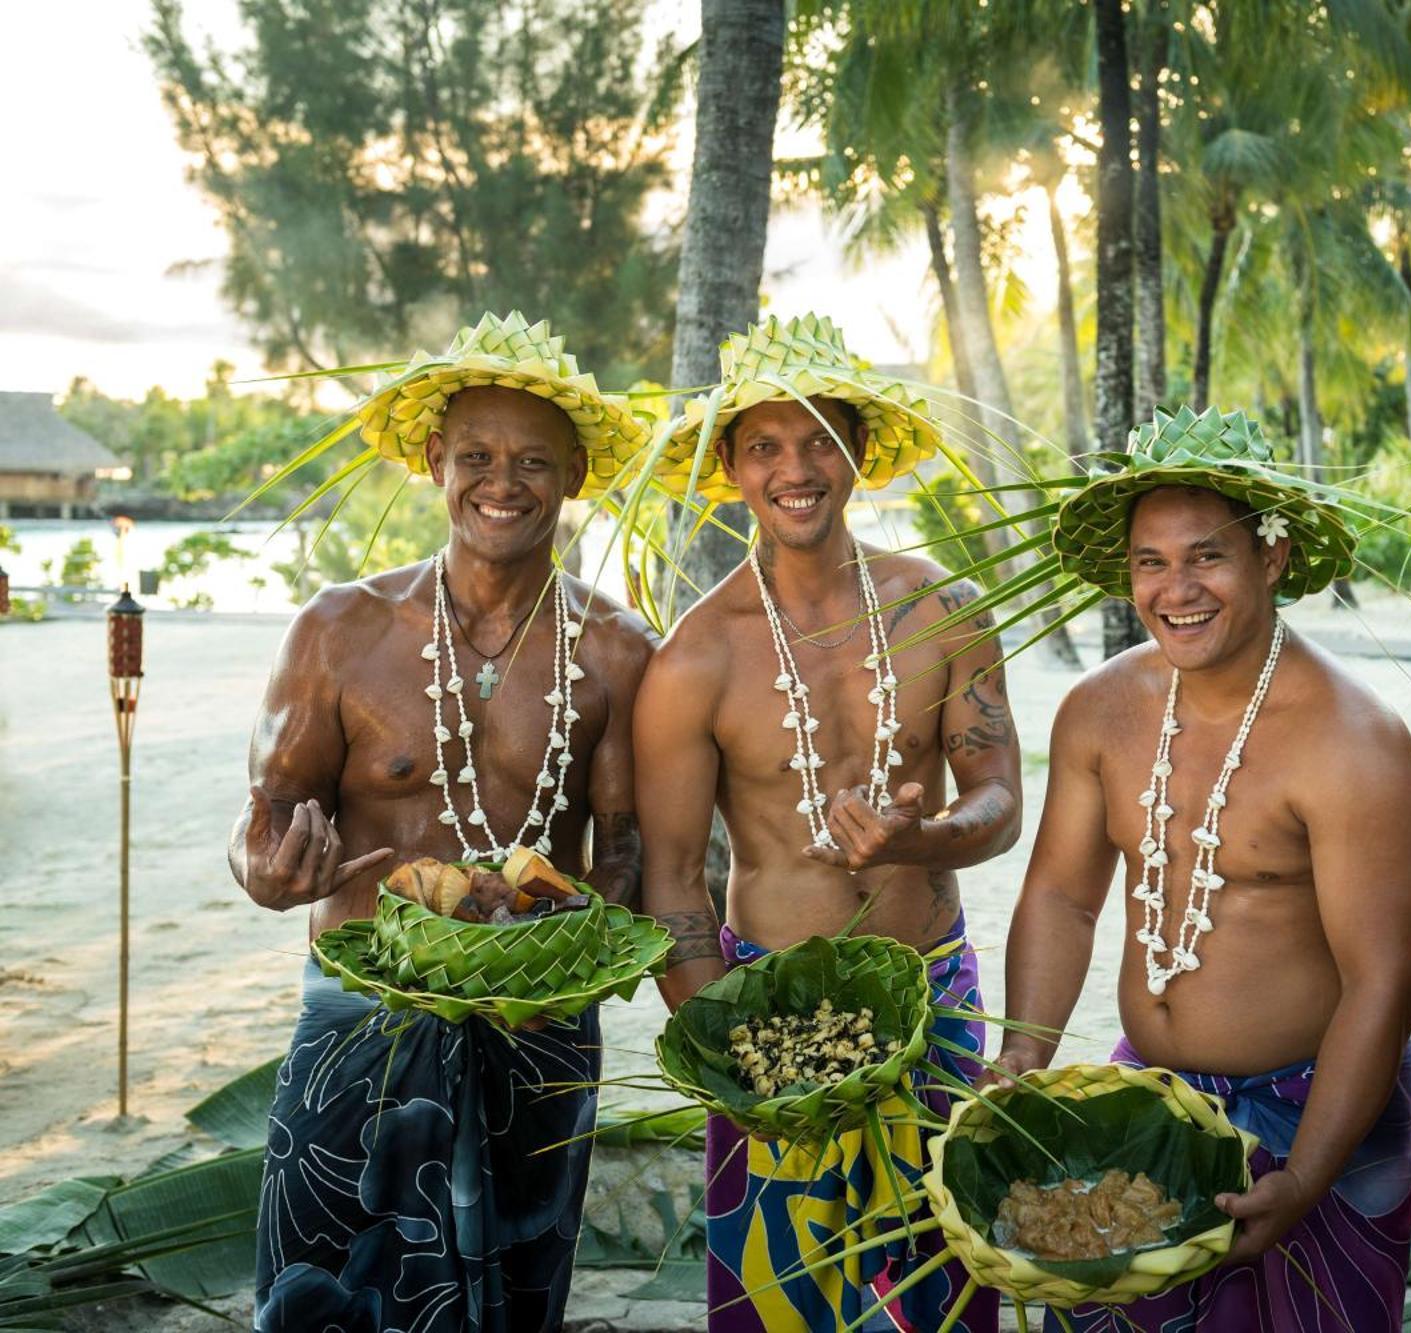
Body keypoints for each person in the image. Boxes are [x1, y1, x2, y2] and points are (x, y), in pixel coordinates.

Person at [233, 312, 657, 1332]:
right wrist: (271, 873)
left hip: (538, 1025)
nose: (500, 482)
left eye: (531, 461)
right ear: (434, 461)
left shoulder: (614, 649)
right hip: (356, 1016)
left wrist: (575, 938)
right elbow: (261, 825)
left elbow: (628, 844)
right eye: (475, 456)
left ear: (574, 474)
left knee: (513, 1295)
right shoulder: (339, 629)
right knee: (315, 1288)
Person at [988, 406, 1411, 1332]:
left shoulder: (1353, 741)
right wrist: (1024, 1050)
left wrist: (1306, 1172)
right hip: (1150, 1101)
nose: (1174, 588)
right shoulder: (1099, 709)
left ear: (1271, 557)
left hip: (1321, 1109)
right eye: (1150, 561)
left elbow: (1382, 981)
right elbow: (1064, 897)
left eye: (1207, 556)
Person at [634, 314, 1021, 1332]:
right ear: (729, 467)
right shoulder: (695, 656)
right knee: (783, 1298)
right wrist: (723, 1048)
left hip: (930, 988)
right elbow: (669, 875)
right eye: (763, 445)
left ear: (855, 455)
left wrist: (918, 840)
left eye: (818, 441)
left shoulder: (942, 607)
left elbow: (998, 802)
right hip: (765, 1017)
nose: (793, 468)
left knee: (942, 1280)